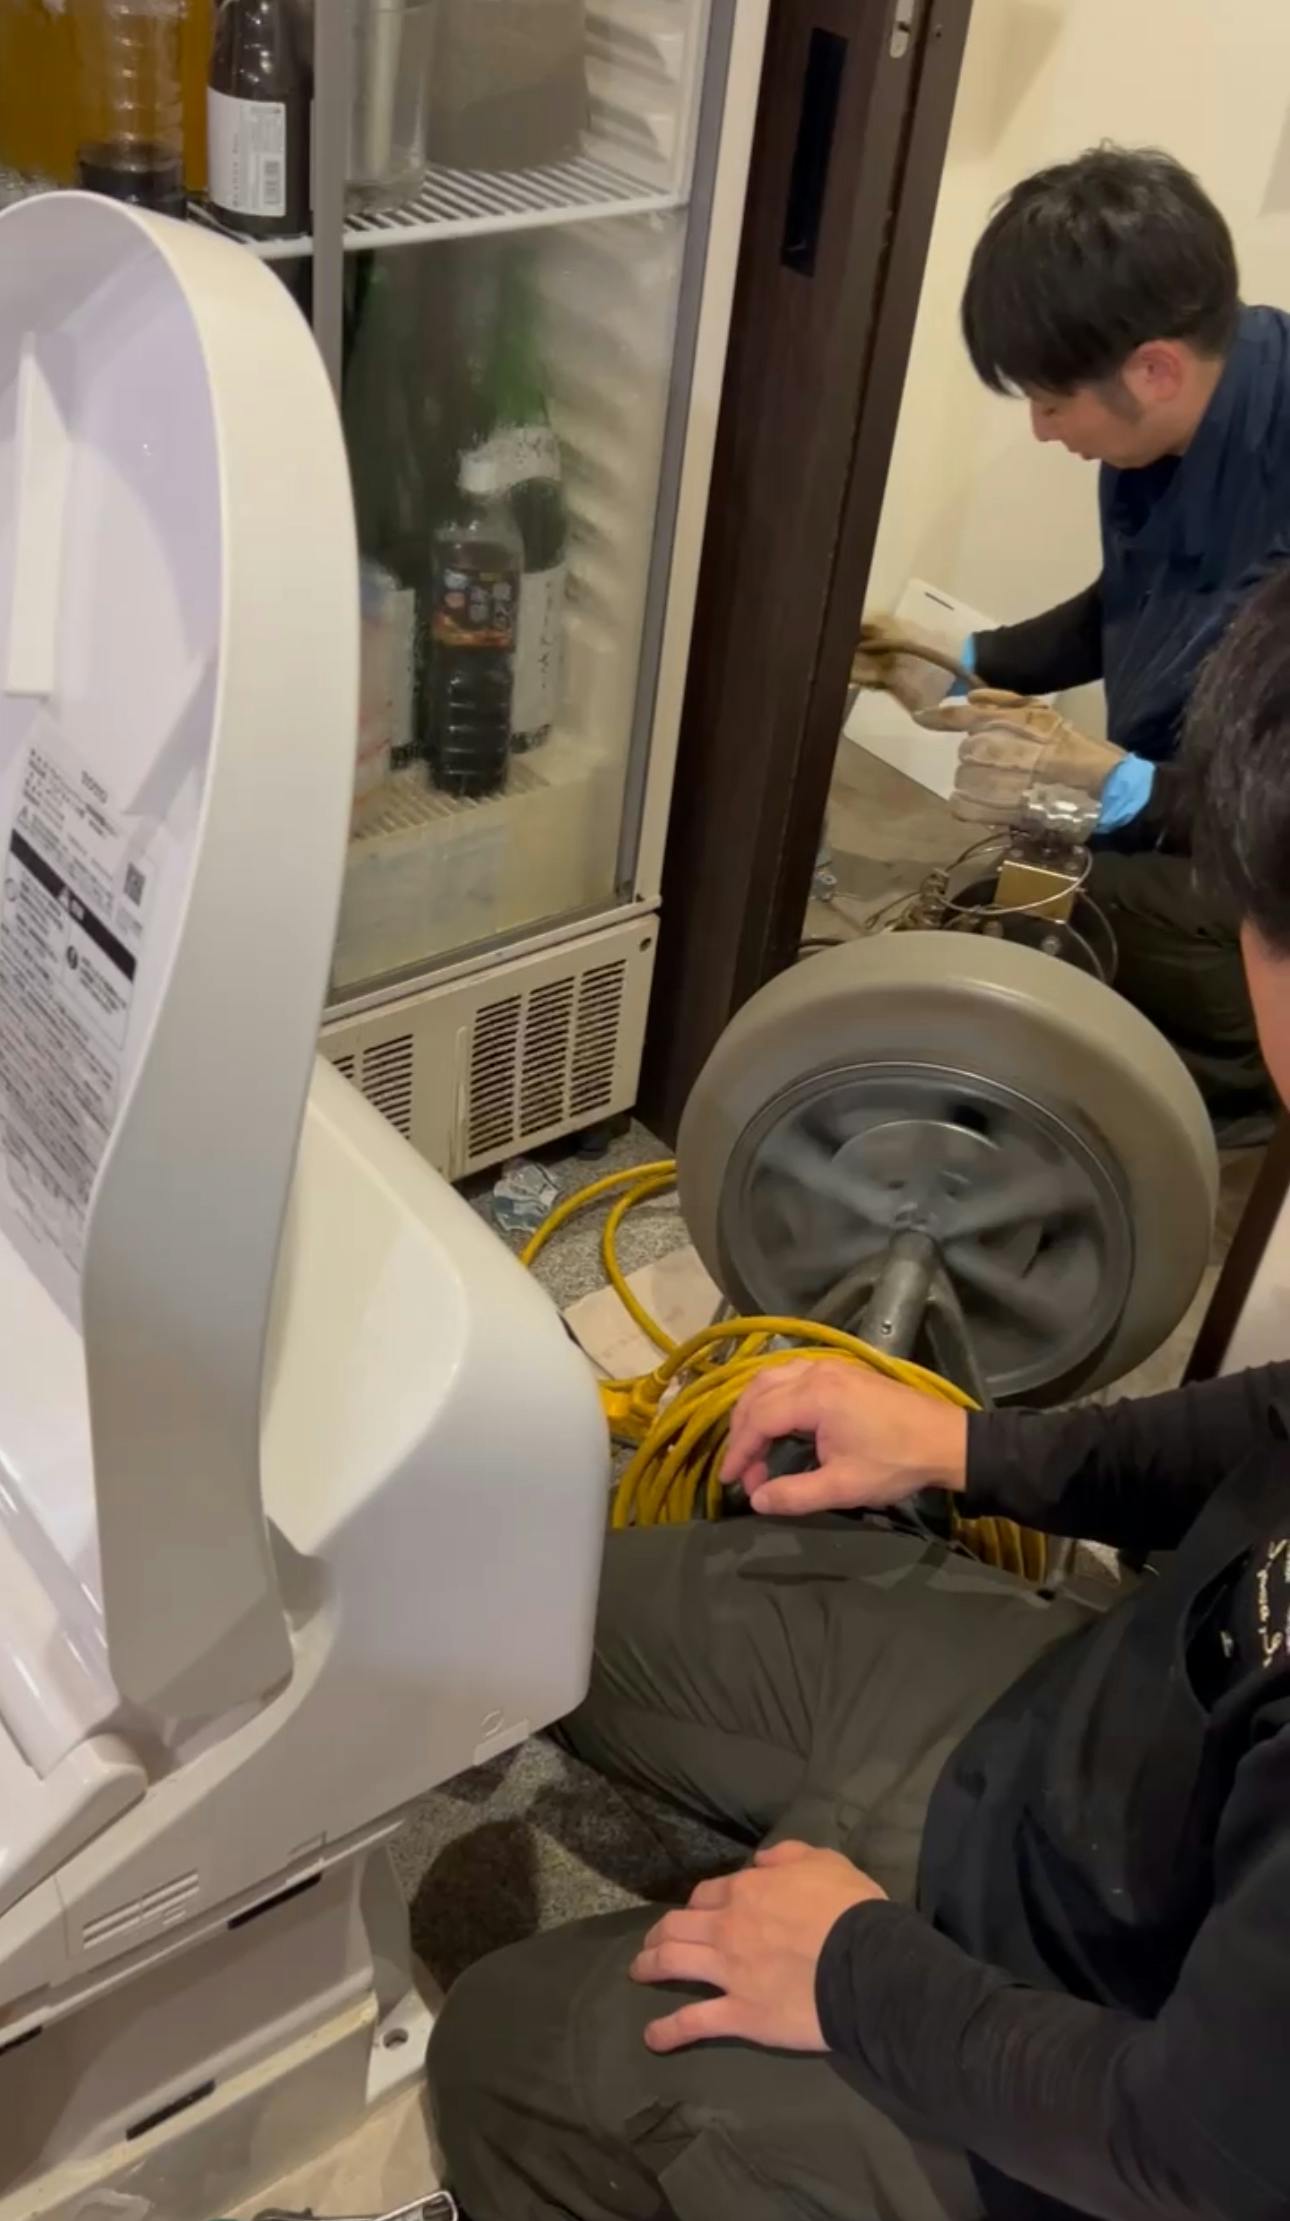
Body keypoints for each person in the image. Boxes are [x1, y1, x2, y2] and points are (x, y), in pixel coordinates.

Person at [428, 567, 1290, 2221]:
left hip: (1112, 2099)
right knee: (561, 1611)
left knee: (510, 2057)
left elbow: (1201, 2158)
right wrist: (972, 1445)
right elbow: (1271, 1421)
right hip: (1073, 1759)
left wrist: (851, 1974)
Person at [861, 145, 1290, 1133]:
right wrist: (967, 662)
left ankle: (1189, 1118)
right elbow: (1128, 602)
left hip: (1267, 878)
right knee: (1014, 900)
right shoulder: (1181, 423)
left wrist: (1129, 788)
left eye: (1053, 402)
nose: (1043, 431)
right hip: (1195, 807)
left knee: (1014, 917)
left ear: (1155, 368)